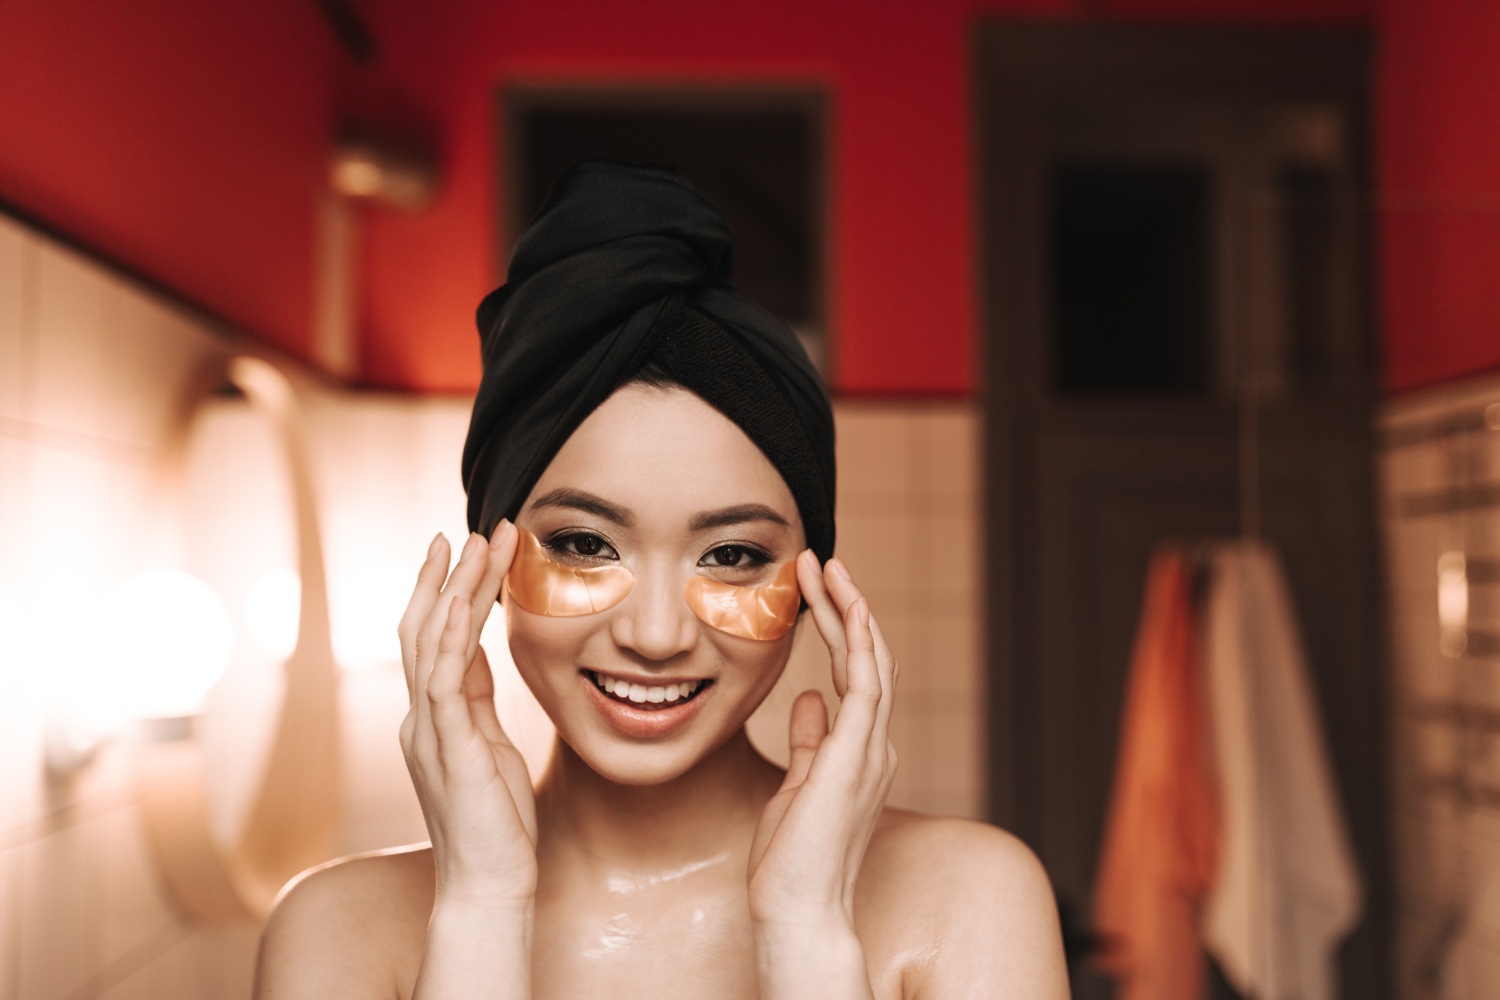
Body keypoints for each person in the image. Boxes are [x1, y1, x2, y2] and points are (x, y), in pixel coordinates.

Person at [253, 162, 1068, 999]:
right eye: (583, 544)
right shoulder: (337, 933)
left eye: (732, 555)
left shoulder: (970, 904)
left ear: (812, 586)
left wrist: (807, 931)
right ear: (488, 565)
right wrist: (481, 907)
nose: (655, 635)